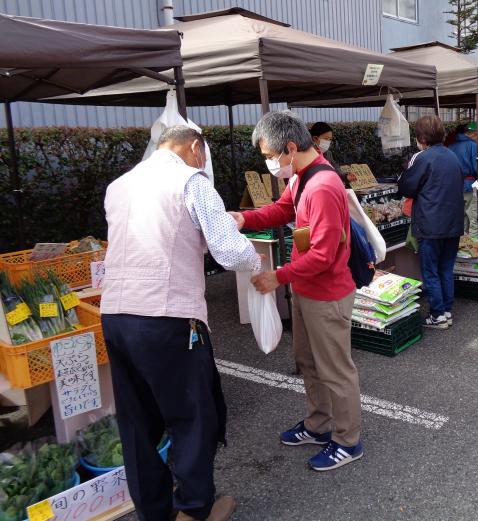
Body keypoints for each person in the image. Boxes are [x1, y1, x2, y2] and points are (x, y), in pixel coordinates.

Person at [101, 126, 262, 521]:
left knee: (136, 422)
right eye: (203, 156)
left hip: (115, 315)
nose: (203, 162)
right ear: (195, 148)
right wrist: (256, 267)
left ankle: (154, 512)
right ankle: (193, 509)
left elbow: (158, 236)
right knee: (191, 416)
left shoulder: (120, 185)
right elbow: (228, 251)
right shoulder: (191, 181)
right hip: (167, 316)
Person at [230, 110, 364, 471]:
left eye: (270, 156)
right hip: (307, 289)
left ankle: (348, 441)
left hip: (327, 293)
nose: (270, 163)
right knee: (308, 362)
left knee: (336, 370)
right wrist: (244, 218)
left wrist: (279, 276)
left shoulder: (322, 185)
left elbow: (322, 254)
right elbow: (281, 209)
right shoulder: (303, 177)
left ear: (289, 147)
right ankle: (319, 425)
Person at [399, 115, 464, 329]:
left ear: (421, 137)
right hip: (453, 223)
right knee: (446, 268)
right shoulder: (452, 156)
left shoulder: (424, 158)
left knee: (431, 270)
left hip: (430, 223)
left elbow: (407, 187)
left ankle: (437, 314)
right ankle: (446, 310)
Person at [447, 121, 478, 237]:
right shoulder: (473, 146)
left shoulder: (450, 146)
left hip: (454, 187)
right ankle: (473, 249)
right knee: (473, 219)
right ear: (472, 133)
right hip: (470, 186)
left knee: (459, 219)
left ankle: (460, 246)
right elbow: (477, 168)